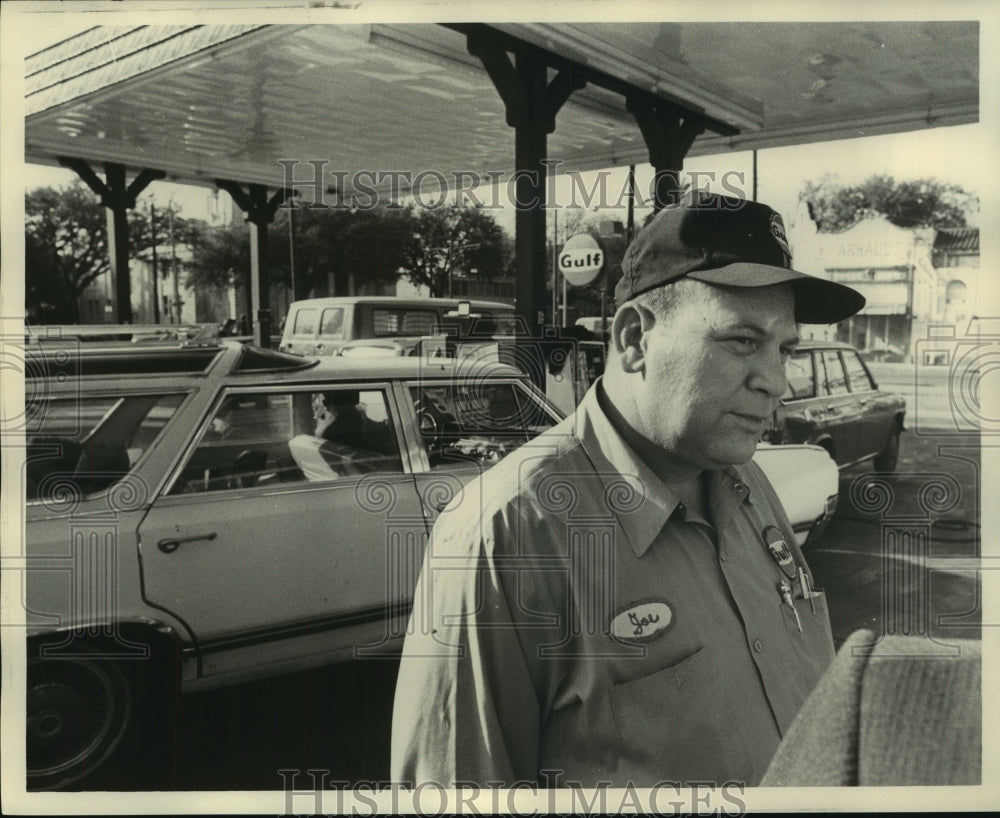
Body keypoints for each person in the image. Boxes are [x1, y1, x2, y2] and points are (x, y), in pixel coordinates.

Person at [390, 192, 867, 789]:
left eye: (785, 349)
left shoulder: (747, 482)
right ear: (636, 338)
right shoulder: (507, 535)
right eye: (742, 341)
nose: (774, 381)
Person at [315, 390, 397, 456]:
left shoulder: (353, 419)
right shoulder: (342, 427)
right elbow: (372, 448)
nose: (326, 408)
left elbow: (372, 429)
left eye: (326, 403)